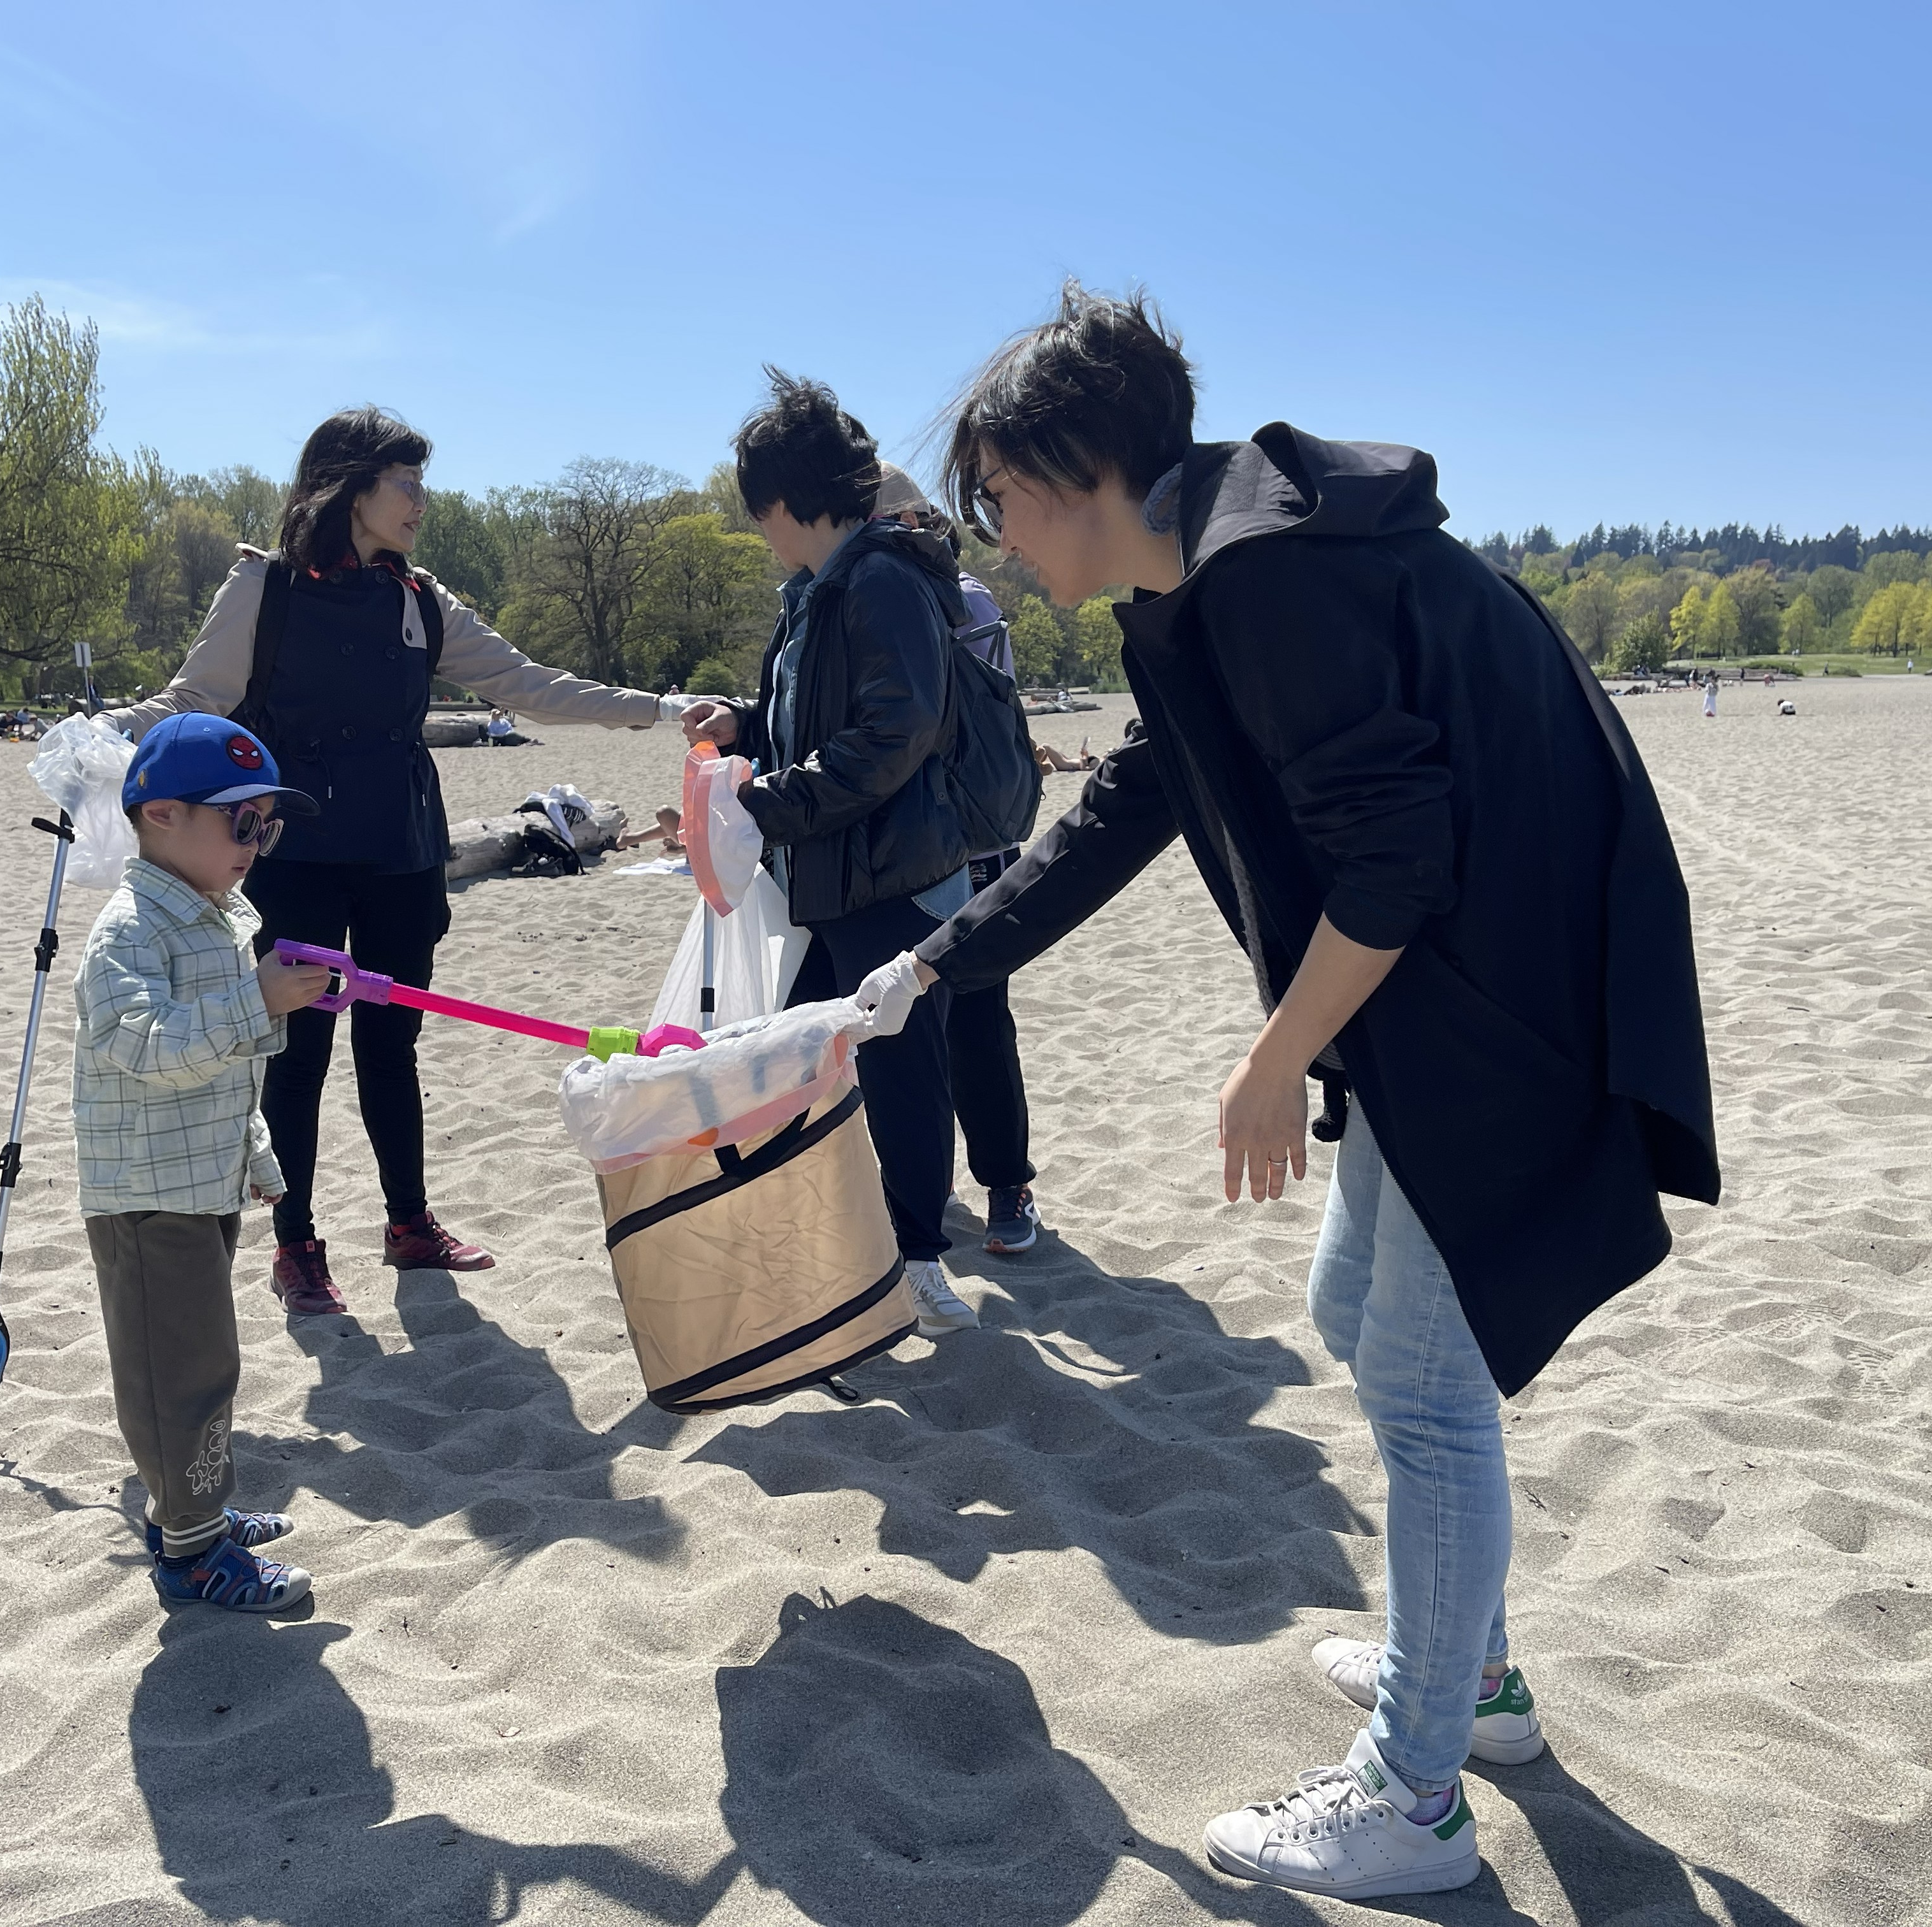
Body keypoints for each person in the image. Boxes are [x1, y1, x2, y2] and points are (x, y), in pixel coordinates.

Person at [853, 287, 1717, 1898]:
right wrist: (934, 967)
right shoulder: (1196, 577)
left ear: (1075, 468)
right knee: (1356, 1316)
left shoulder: (1273, 577)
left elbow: (1400, 859)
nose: (993, 542)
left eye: (998, 503)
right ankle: (1479, 1685)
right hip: (1452, 987)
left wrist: (1268, 1066)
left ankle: (1415, 1797)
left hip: (1506, 991)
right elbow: (1130, 802)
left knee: (1424, 1384)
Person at [102, 407, 702, 1318]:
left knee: (394, 1042)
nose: (422, 500)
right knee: (295, 1053)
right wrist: (104, 734)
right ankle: (297, 1244)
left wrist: (660, 709)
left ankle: (408, 1224)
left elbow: (528, 685)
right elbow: (196, 697)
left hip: (399, 855)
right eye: (406, 483)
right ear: (348, 486)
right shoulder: (263, 587)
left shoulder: (421, 600)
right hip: (291, 856)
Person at [680, 372, 981, 1336]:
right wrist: (748, 731)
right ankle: (855, 1255)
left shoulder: (883, 576)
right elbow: (816, 724)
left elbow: (895, 734)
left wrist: (770, 803)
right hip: (828, 877)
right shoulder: (818, 590)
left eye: (759, 512)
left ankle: (921, 1265)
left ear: (783, 501)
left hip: (893, 875)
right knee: (811, 1061)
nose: (760, 530)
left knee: (899, 1071)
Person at [72, 712, 336, 1610]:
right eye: (240, 822)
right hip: (146, 1194)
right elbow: (146, 1047)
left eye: (269, 825)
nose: (257, 843)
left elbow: (231, 1075)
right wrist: (258, 997)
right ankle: (191, 1553)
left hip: (198, 1180)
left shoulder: (219, 918)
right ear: (161, 817)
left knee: (197, 1358)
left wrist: (253, 1156)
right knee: (181, 1371)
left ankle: (194, 1513)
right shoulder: (128, 934)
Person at [874, 461, 1044, 1257]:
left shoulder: (949, 598)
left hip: (958, 839)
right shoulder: (942, 593)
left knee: (962, 1012)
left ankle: (999, 1180)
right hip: (948, 839)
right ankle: (970, 1181)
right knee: (943, 1017)